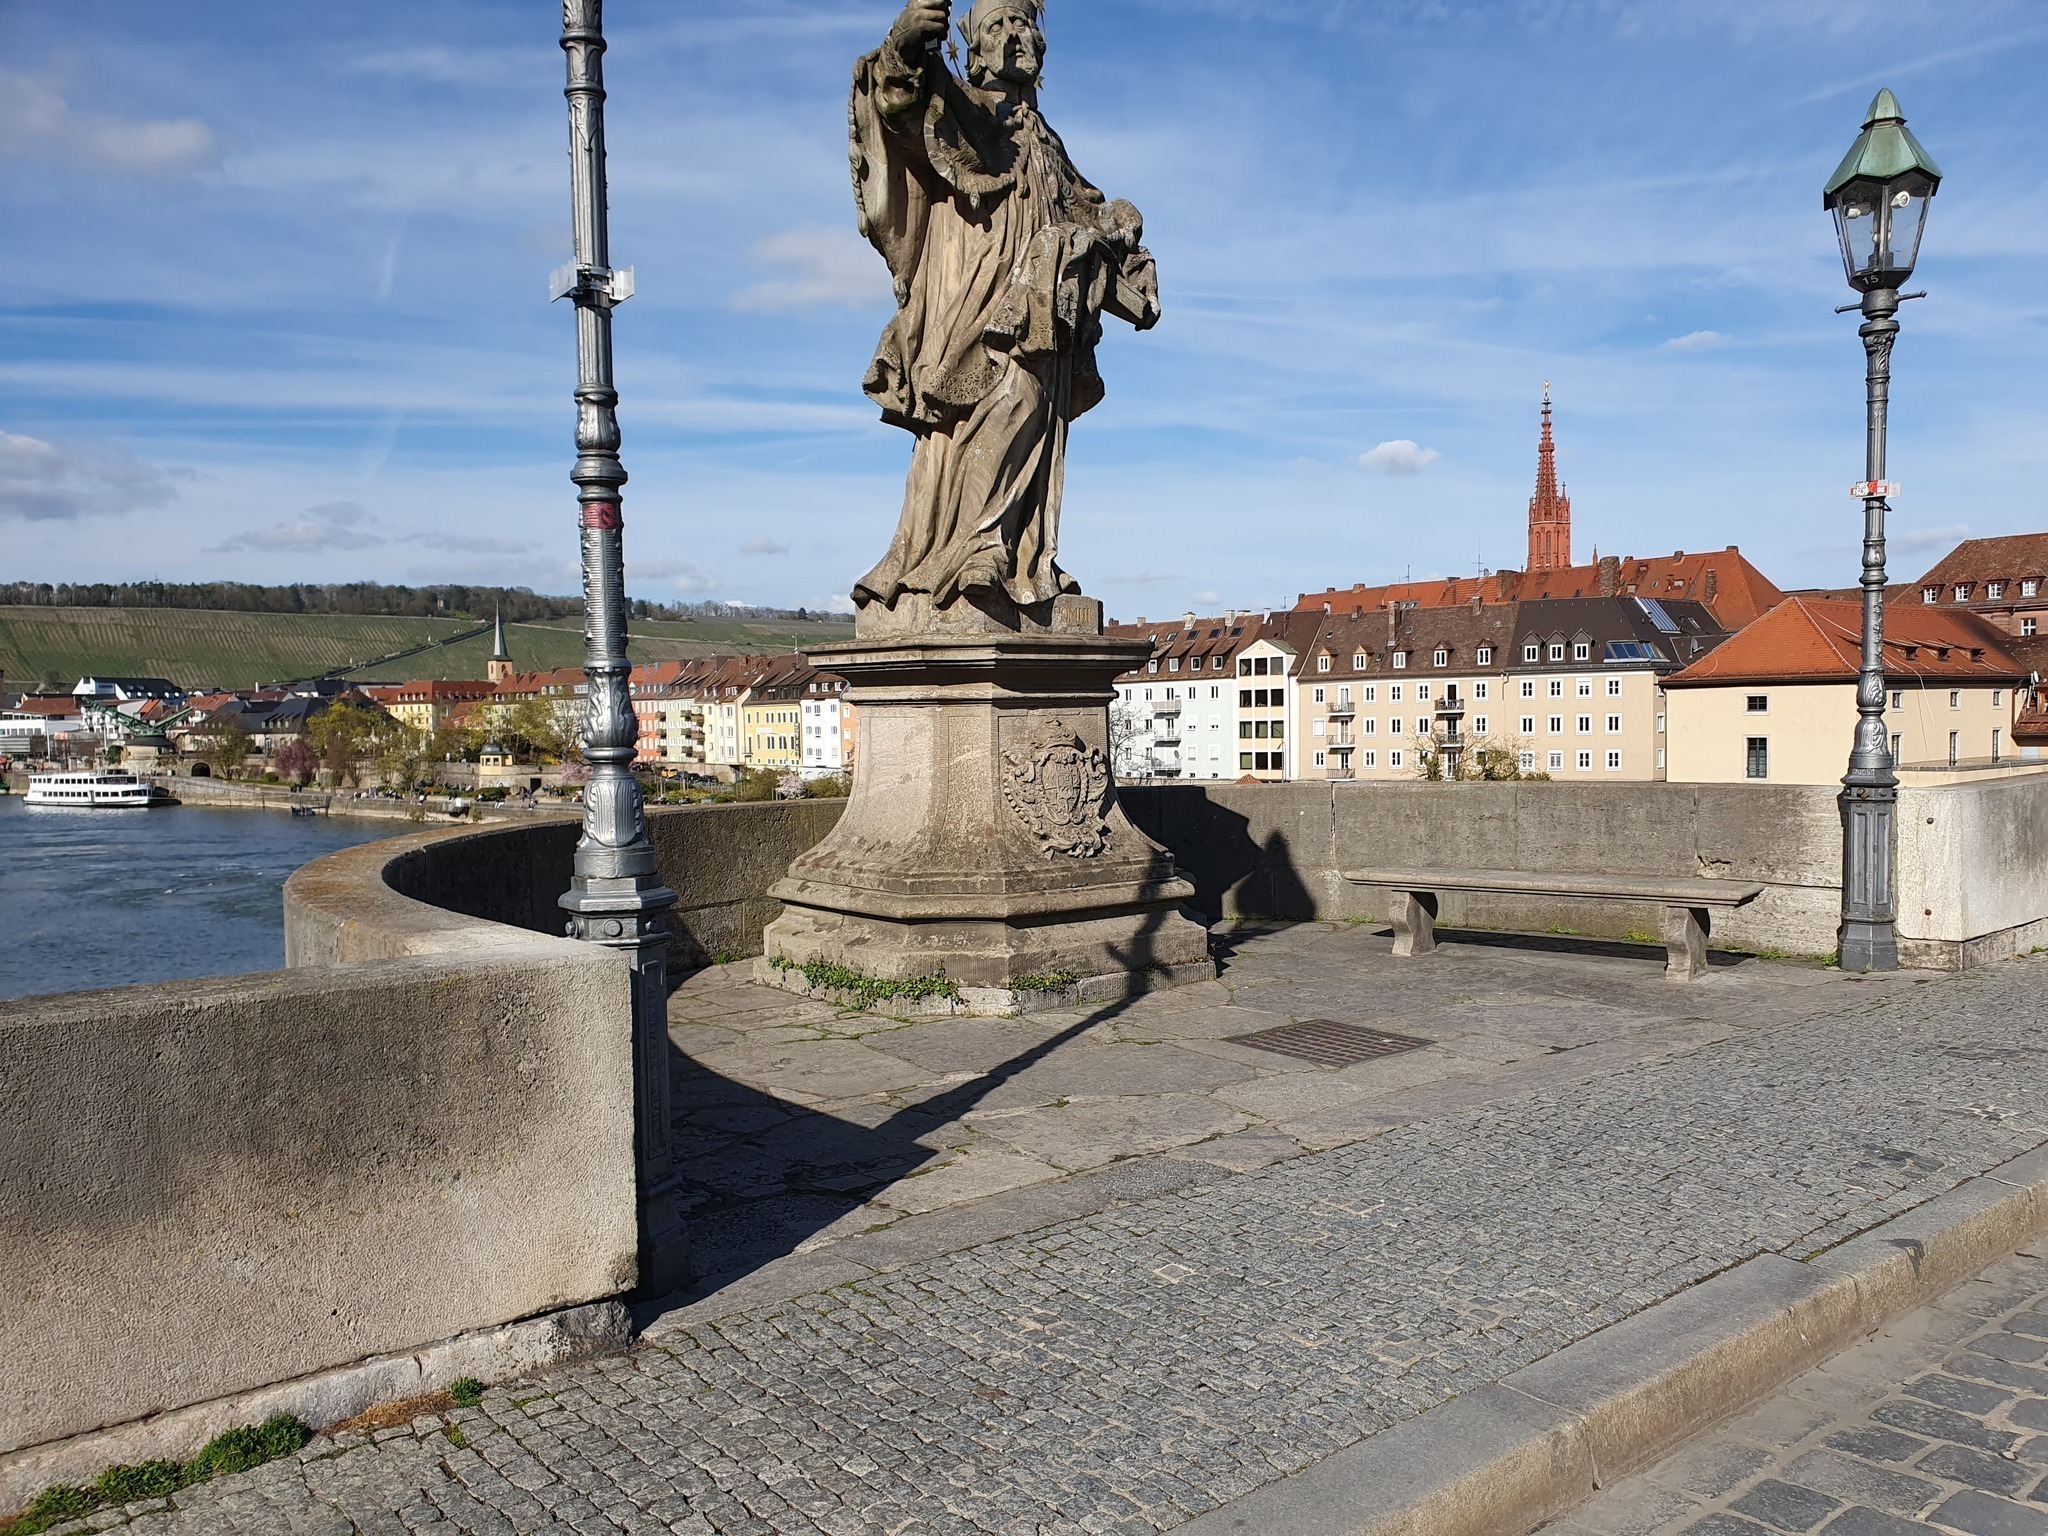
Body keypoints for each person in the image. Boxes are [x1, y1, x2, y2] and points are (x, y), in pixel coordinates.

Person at [849, 0, 1158, 616]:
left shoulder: (1046, 141)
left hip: (1036, 306)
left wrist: (1116, 222)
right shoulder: (962, 108)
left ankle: (1017, 553)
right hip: (970, 293)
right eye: (1000, 25)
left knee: (1035, 412)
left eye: (1026, 24)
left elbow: (1085, 208)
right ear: (975, 45)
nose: (1018, 36)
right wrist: (906, 44)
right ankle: (967, 548)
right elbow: (899, 108)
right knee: (979, 415)